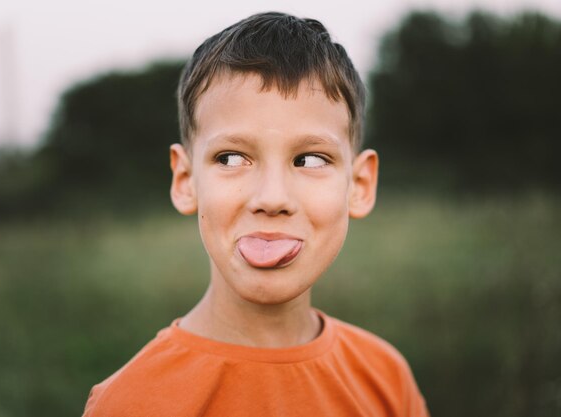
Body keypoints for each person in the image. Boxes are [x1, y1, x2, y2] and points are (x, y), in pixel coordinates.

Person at [82, 12, 429, 417]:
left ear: (360, 186)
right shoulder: (131, 404)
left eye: (310, 159)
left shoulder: (387, 378)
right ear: (185, 179)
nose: (271, 198)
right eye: (231, 157)